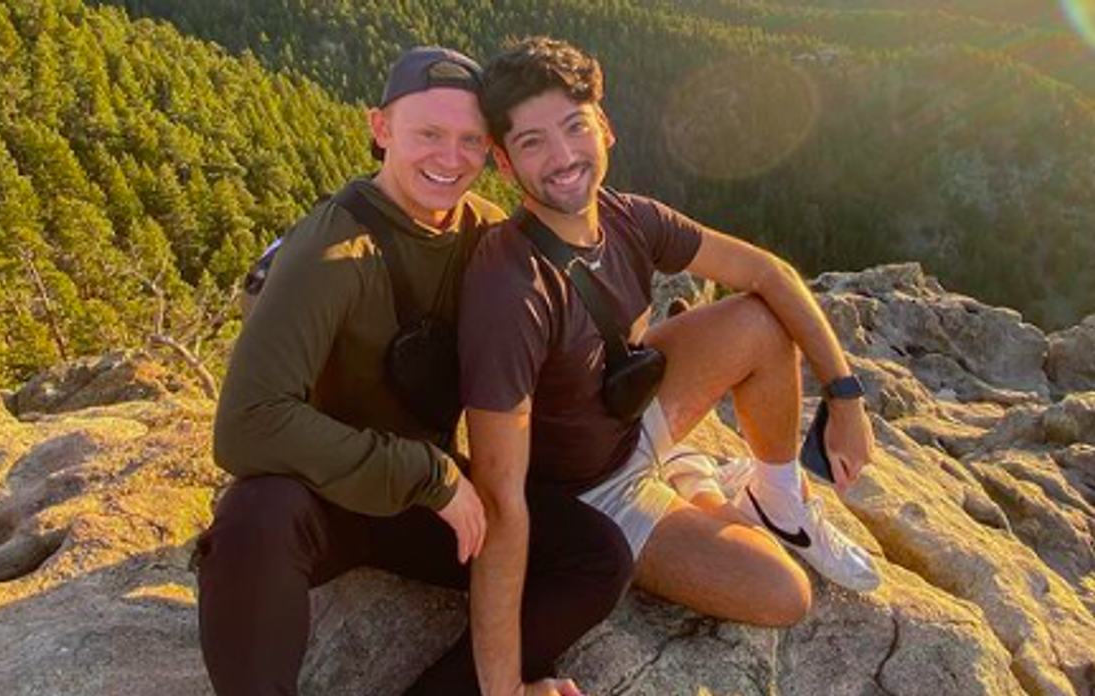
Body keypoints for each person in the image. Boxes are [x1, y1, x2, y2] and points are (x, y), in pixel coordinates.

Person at [197, 45, 633, 696]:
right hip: (321, 501)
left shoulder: (487, 236)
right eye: (428, 134)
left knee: (595, 556)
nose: (450, 159)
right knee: (253, 519)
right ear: (381, 129)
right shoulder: (331, 250)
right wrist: (428, 474)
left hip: (418, 509)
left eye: (470, 141)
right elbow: (245, 426)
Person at [460, 36, 882, 696]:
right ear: (505, 165)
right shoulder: (509, 290)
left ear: (605, 127)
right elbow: (499, 496)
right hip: (589, 491)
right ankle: (695, 483)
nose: (564, 156)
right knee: (782, 595)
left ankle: (774, 496)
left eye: (574, 127)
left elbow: (767, 272)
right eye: (532, 142)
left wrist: (845, 395)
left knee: (758, 318)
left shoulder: (628, 218)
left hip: (630, 414)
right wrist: (504, 684)